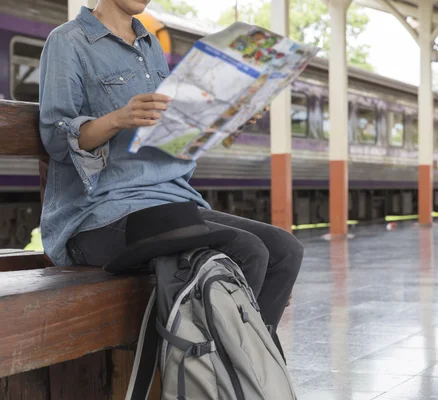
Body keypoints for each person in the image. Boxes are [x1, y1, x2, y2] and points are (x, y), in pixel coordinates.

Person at [38, 0, 302, 330]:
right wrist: (119, 118)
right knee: (247, 250)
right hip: (101, 215)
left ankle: (250, 370)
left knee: (286, 250)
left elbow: (171, 132)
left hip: (169, 201)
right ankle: (219, 374)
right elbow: (55, 137)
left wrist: (229, 117)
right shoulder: (68, 41)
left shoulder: (151, 47)